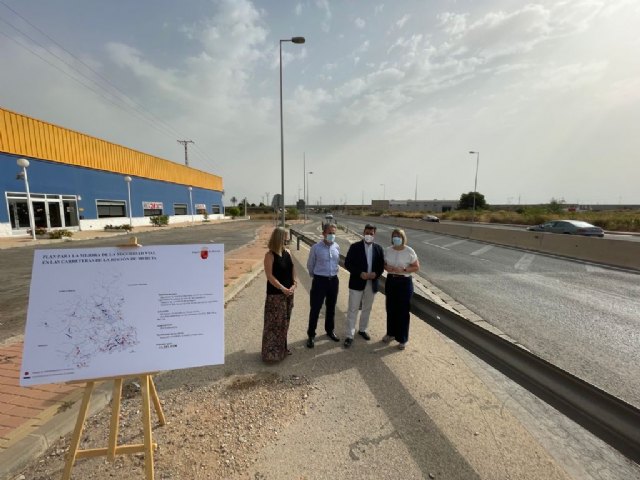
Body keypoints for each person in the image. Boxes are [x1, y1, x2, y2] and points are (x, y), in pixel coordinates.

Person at [343, 224, 384, 348]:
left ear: (374, 235)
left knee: (367, 308)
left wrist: (375, 274)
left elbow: (381, 267)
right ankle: (349, 335)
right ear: (363, 233)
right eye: (367, 233)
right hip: (357, 283)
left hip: (371, 283)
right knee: (353, 309)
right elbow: (347, 263)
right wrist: (359, 273)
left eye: (371, 234)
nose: (369, 235)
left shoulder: (378, 249)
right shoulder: (355, 247)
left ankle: (362, 329)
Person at [262, 227, 298, 362]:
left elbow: (293, 269)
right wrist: (283, 288)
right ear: (278, 238)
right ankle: (270, 353)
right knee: (273, 324)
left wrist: (294, 283)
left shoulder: (288, 252)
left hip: (288, 294)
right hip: (275, 295)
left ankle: (282, 348)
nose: (287, 240)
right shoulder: (269, 255)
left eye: (287, 238)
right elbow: (269, 276)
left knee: (285, 323)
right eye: (285, 238)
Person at [383, 228, 420, 350]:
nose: (396, 238)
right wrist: (387, 267)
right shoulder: (388, 250)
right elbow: (383, 264)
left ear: (403, 238)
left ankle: (402, 339)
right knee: (390, 309)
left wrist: (404, 269)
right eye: (394, 236)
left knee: (403, 311)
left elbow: (416, 267)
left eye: (398, 236)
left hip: (404, 283)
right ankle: (390, 333)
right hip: (391, 281)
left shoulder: (409, 251)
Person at [306, 223, 340, 348]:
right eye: (330, 233)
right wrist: (316, 276)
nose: (332, 235)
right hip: (320, 281)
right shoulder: (316, 248)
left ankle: (330, 330)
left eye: (334, 233)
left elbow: (336, 263)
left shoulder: (337, 246)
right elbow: (310, 264)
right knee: (315, 308)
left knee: (331, 308)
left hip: (333, 281)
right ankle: (311, 335)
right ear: (323, 233)